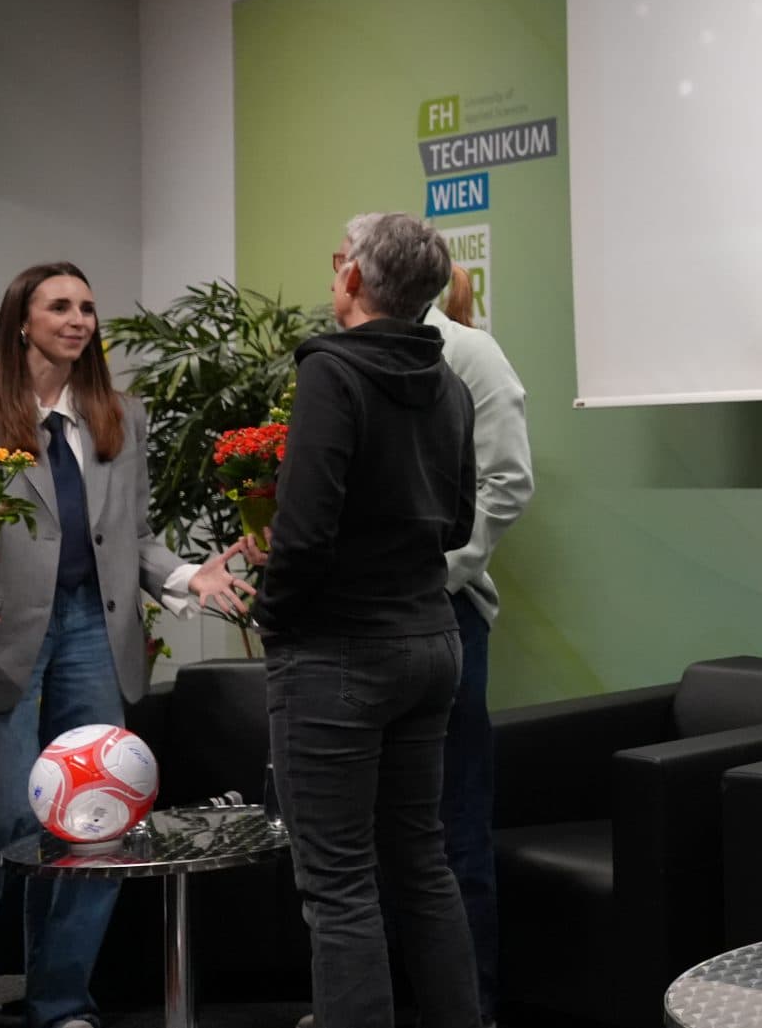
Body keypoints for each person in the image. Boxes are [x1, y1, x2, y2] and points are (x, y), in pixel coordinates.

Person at [0, 262, 253, 1028]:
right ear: (21, 320)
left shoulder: (119, 414)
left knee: (95, 817)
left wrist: (188, 576)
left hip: (93, 630)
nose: (78, 319)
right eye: (60, 306)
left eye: (88, 307)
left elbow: (134, 536)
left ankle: (62, 999)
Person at [257, 212, 479, 1028]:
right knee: (421, 862)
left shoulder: (332, 372)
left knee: (340, 882)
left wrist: (274, 618)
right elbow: (458, 523)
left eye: (338, 261)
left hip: (338, 652)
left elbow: (303, 532)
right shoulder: (449, 381)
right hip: (431, 639)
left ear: (353, 277)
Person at [398, 269, 531, 1023]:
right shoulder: (344, 358)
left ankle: (468, 1010)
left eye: (348, 260)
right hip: (365, 623)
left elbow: (508, 481)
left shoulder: (471, 353)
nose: (339, 276)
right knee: (374, 836)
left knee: (452, 828)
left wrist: (436, 572)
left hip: (444, 613)